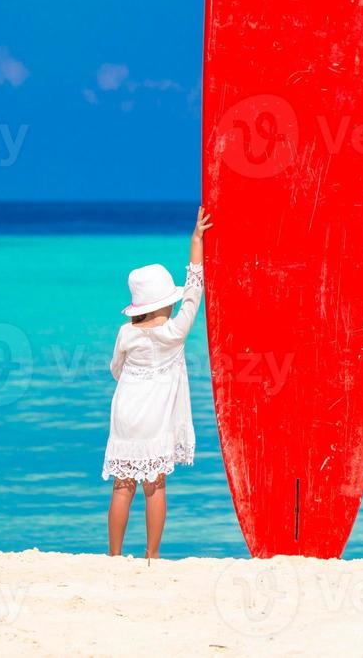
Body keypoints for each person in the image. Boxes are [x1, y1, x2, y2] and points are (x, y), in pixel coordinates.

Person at [102, 207, 213, 558]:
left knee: (122, 487)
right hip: (155, 416)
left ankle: (114, 555)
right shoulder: (175, 332)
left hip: (125, 412)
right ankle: (152, 554)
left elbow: (115, 370)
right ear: (165, 303)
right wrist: (196, 240)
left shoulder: (125, 332)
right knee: (155, 486)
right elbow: (195, 289)